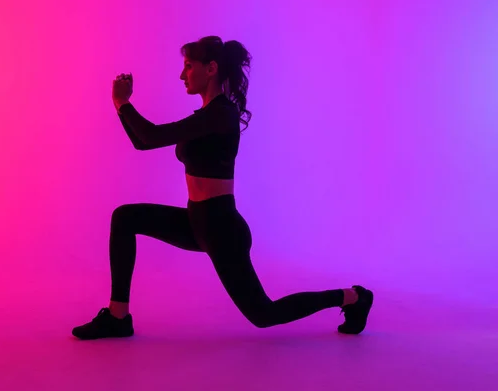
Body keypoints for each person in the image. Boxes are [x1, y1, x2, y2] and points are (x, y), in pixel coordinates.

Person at [72, 36, 373, 340]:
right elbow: (142, 142)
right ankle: (118, 316)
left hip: (221, 228)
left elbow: (150, 137)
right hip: (195, 221)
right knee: (125, 217)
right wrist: (120, 106)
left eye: (188, 66)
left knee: (264, 314)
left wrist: (123, 102)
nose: (181, 75)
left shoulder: (221, 114)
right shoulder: (204, 117)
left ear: (211, 68)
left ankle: (353, 297)